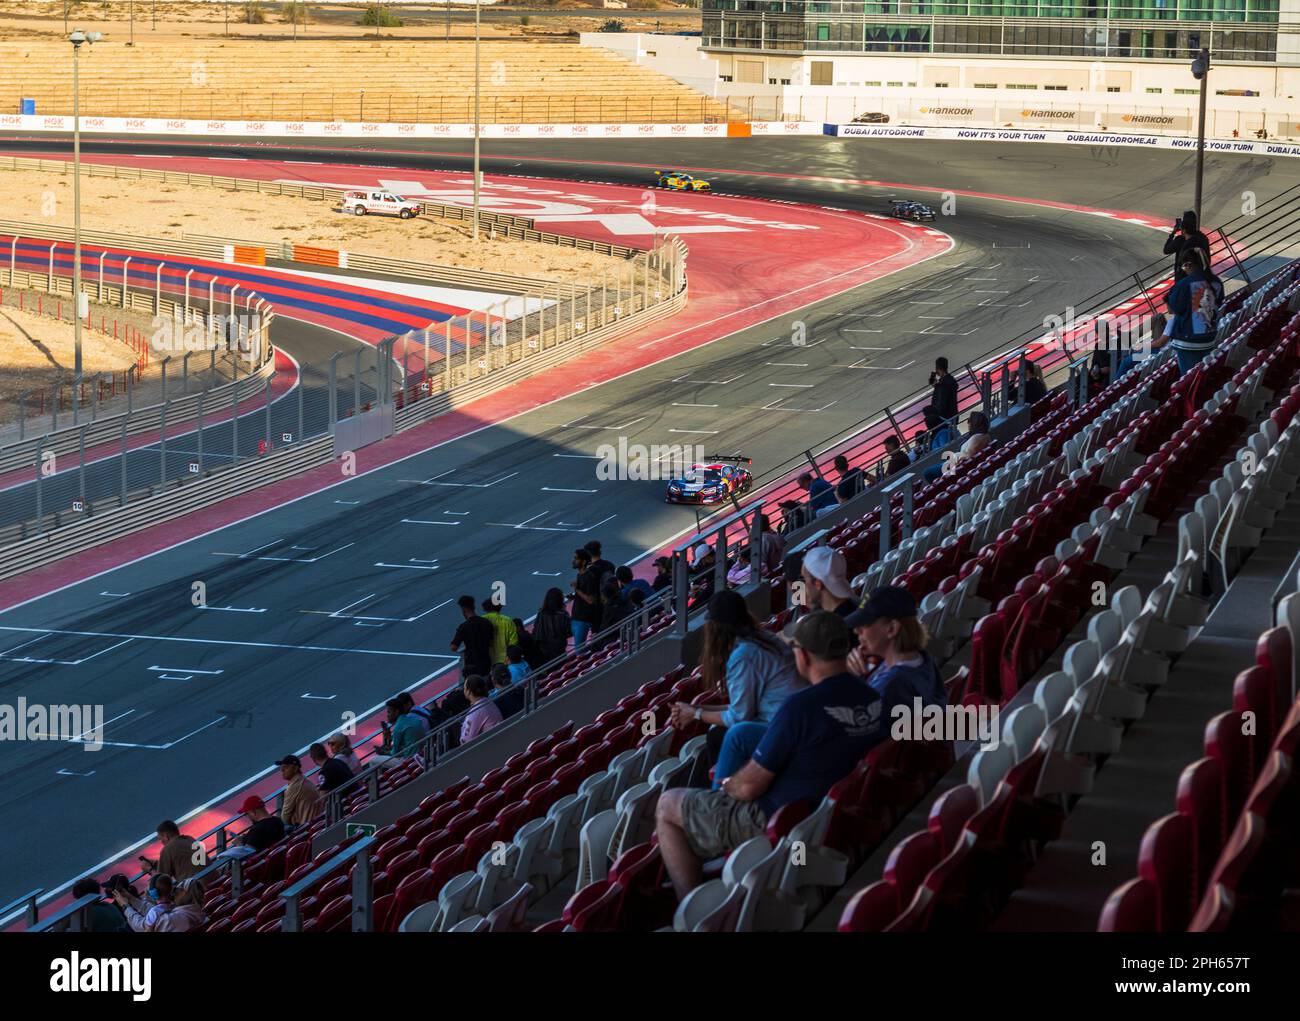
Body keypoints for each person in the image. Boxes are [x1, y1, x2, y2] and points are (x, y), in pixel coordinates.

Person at [654, 612, 887, 899]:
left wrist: (727, 785)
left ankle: (691, 909)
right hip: (824, 815)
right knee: (740, 736)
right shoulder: (871, 697)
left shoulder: (800, 707)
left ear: (804, 656)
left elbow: (749, 786)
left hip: (780, 819)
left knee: (667, 805)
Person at [668, 590, 805, 783]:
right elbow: (745, 708)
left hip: (781, 730)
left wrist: (696, 714)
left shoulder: (744, 655)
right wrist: (696, 709)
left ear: (715, 628)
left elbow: (740, 716)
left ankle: (720, 794)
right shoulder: (765, 638)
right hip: (790, 721)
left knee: (721, 735)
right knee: (716, 734)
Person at [845, 586, 946, 713]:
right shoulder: (921, 658)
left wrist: (846, 679)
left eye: (865, 623)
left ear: (892, 629)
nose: (856, 630)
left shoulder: (890, 687)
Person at [1166, 249, 1218, 374]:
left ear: (1188, 264)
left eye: (1183, 266)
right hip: (1208, 337)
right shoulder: (1209, 281)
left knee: (1188, 378)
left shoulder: (1184, 284)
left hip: (1189, 340)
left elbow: (1174, 309)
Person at [113, 874, 205, 933]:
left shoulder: (172, 919)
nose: (174, 891)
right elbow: (157, 912)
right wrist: (131, 898)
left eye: (178, 889)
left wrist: (125, 906)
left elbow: (141, 927)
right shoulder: (194, 911)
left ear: (186, 895)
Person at [139, 820, 202, 897]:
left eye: (160, 839)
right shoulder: (190, 839)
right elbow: (180, 862)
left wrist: (149, 869)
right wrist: (156, 863)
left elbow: (161, 882)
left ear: (166, 836)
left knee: (149, 893)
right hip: (211, 880)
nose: (161, 842)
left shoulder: (167, 849)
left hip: (195, 892)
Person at [798, 545, 856, 617]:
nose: (804, 586)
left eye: (804, 579)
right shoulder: (856, 604)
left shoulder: (834, 625)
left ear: (818, 584)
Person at [450, 595, 494, 679]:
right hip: (486, 661)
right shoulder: (486, 622)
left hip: (472, 665)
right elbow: (491, 641)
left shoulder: (463, 627)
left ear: (463, 610)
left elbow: (453, 647)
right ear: (473, 606)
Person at [275, 753, 323, 828]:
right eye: (282, 768)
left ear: (296, 768)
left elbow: (284, 819)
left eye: (286, 767)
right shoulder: (304, 780)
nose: (282, 770)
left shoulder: (294, 787)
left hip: (308, 827)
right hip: (317, 822)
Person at [1163, 209, 1211, 282]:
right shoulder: (1203, 238)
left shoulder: (1180, 240)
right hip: (1201, 277)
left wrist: (1173, 233)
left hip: (1183, 278)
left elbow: (1166, 250)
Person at [569, 547, 601, 647]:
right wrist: (574, 596)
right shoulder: (580, 575)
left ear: (583, 562)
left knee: (579, 649)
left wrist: (576, 590)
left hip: (583, 618)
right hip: (577, 616)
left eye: (576, 558)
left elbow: (591, 600)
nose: (573, 561)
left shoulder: (589, 577)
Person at [460, 674, 504, 744]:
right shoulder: (489, 702)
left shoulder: (475, 712)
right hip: (500, 740)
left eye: (464, 688)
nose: (463, 690)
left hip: (491, 747)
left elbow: (465, 742)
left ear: (469, 692)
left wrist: (462, 727)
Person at [532, 587, 571, 664]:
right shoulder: (563, 615)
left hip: (544, 651)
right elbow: (569, 632)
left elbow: (535, 632)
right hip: (559, 649)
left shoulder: (541, 614)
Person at [481, 598, 520, 667]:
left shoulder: (481, 621)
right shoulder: (508, 621)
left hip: (488, 661)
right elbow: (513, 642)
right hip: (506, 660)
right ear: (499, 607)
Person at [929, 356, 958, 426]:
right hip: (952, 414)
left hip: (945, 418)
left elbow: (941, 402)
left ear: (938, 368)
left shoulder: (942, 384)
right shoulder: (951, 380)